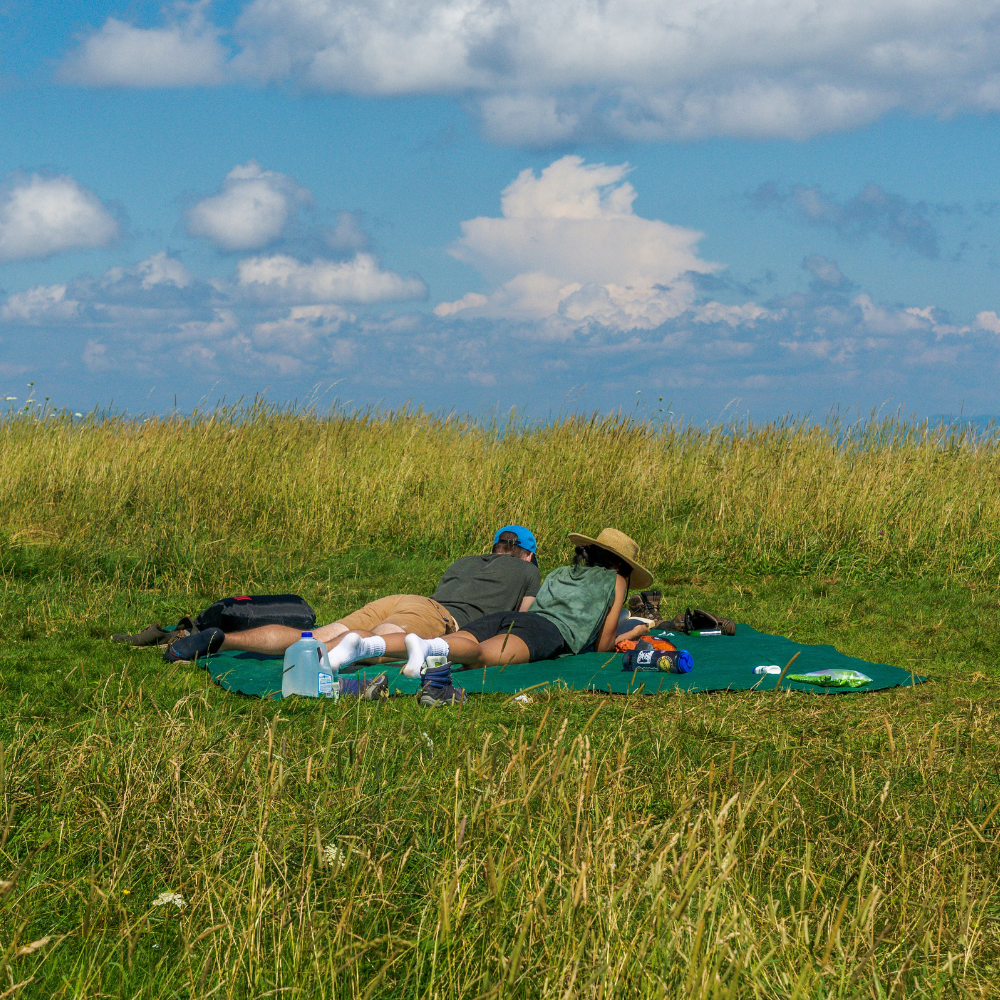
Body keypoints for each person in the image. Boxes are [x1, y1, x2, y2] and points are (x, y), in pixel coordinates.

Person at [324, 528, 653, 705]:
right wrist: (634, 632)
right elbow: (603, 644)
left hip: (504, 617)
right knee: (479, 657)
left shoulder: (560, 573)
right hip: (544, 631)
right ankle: (429, 651)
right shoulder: (618, 579)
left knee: (452, 640)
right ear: (622, 564)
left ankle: (366, 645)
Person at [164, 525, 540, 662]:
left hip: (405, 600)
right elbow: (525, 619)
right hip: (438, 616)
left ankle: (223, 641)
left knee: (317, 633)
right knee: (370, 644)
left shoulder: (463, 561)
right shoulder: (527, 570)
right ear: (527, 553)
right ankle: (315, 665)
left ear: (494, 547)